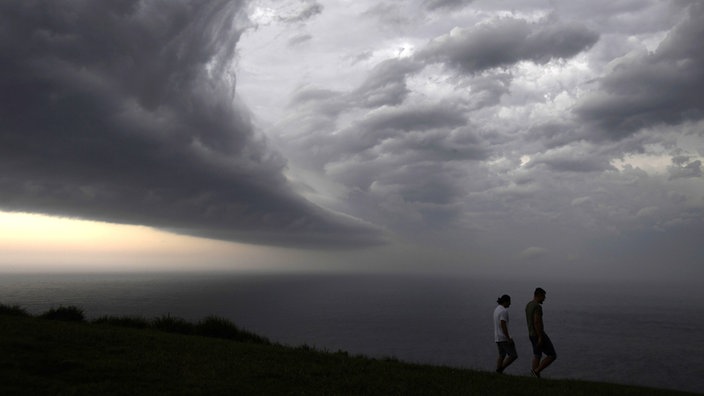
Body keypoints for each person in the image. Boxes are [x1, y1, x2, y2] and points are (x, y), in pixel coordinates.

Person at [525, 287, 556, 378]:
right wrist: (540, 337)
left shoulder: (529, 305)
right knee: (552, 355)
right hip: (538, 334)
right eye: (543, 296)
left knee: (537, 354)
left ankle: (535, 376)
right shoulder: (537, 307)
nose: (544, 299)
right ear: (538, 295)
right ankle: (536, 371)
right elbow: (536, 322)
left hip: (531, 334)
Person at [493, 294, 518, 373]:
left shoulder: (496, 309)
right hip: (503, 337)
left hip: (497, 337)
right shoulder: (504, 311)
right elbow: (503, 324)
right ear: (505, 301)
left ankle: (498, 372)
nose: (510, 304)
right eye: (509, 302)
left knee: (502, 355)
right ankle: (500, 369)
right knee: (513, 355)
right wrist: (508, 338)